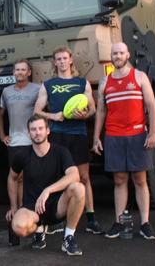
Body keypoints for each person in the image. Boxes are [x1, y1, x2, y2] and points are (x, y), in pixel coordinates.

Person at [93, 42, 155, 240]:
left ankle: (145, 223)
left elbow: (151, 106)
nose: (118, 56)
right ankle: (119, 222)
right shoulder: (105, 81)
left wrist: (153, 133)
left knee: (140, 179)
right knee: (119, 180)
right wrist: (96, 137)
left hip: (137, 135)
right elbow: (101, 111)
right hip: (114, 136)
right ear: (111, 56)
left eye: (121, 52)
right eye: (114, 53)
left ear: (127, 54)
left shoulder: (139, 76)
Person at [34, 46, 101, 234]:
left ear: (71, 60)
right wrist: (54, 116)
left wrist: (84, 115)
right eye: (58, 59)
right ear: (55, 63)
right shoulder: (48, 84)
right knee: (57, 177)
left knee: (83, 177)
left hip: (78, 134)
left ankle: (91, 218)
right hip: (56, 135)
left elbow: (93, 110)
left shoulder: (82, 83)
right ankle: (56, 219)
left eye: (65, 58)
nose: (62, 61)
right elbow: (37, 111)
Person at [7, 114, 85, 256]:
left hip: (57, 205)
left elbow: (75, 175)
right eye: (33, 129)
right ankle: (39, 229)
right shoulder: (22, 155)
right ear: (28, 133)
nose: (37, 132)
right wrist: (14, 207)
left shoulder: (61, 151)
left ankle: (68, 237)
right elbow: (12, 178)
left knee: (78, 188)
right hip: (32, 207)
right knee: (18, 227)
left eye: (41, 128)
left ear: (48, 131)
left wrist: (48, 190)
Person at [0, 59, 40, 209]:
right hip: (15, 141)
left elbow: (44, 112)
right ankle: (16, 208)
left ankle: (27, 206)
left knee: (31, 176)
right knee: (17, 176)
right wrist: (2, 136)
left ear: (29, 72)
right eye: (17, 70)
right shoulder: (6, 91)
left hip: (33, 141)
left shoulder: (38, 89)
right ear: (13, 72)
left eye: (23, 70)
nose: (20, 72)